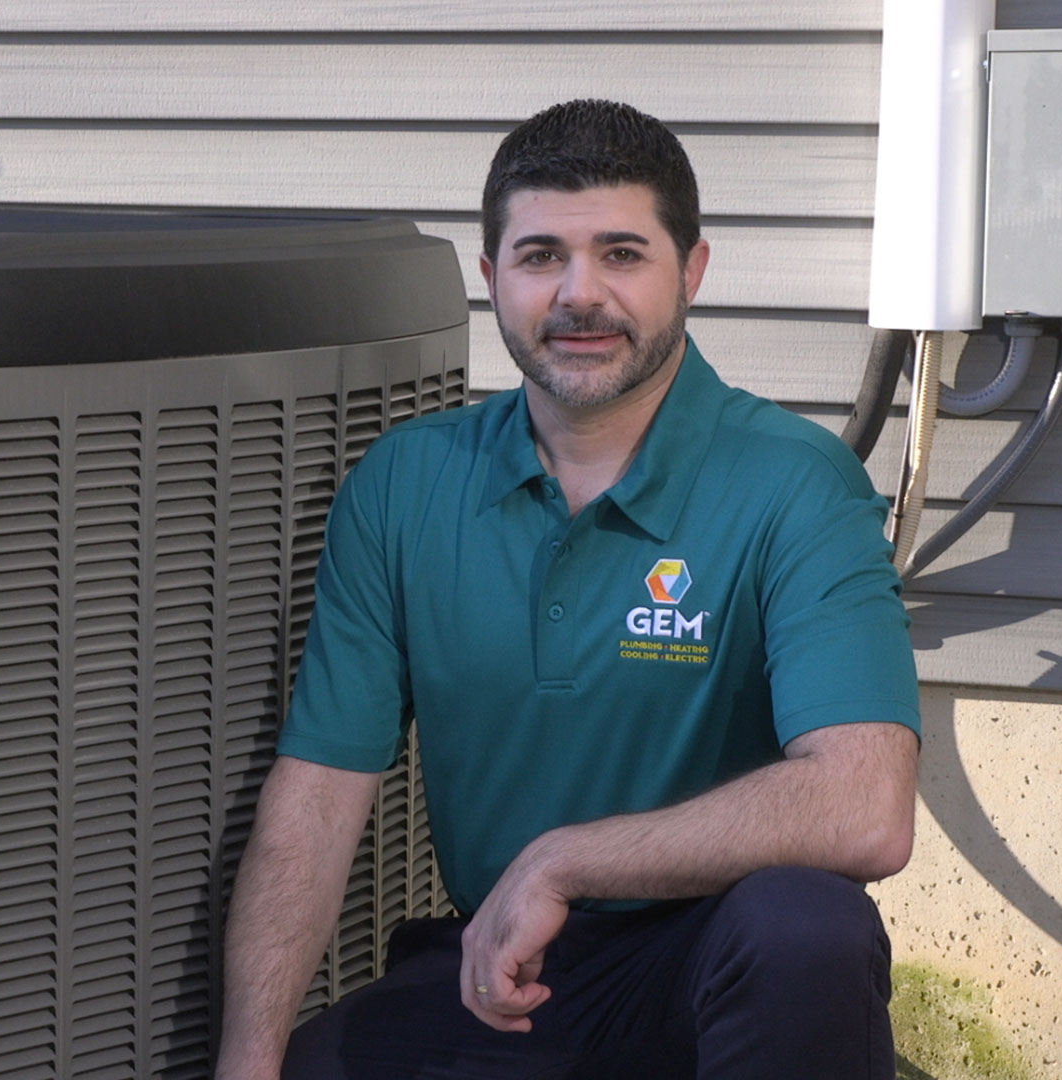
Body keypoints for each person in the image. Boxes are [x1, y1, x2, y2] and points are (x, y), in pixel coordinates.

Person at [215, 99, 921, 1080]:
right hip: (502, 978)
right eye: (543, 255)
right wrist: (245, 1067)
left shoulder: (793, 482)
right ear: (491, 276)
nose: (579, 295)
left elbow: (866, 806)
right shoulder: (405, 484)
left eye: (622, 254)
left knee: (807, 927)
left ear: (694, 271)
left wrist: (562, 860)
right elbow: (319, 799)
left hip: (714, 972)